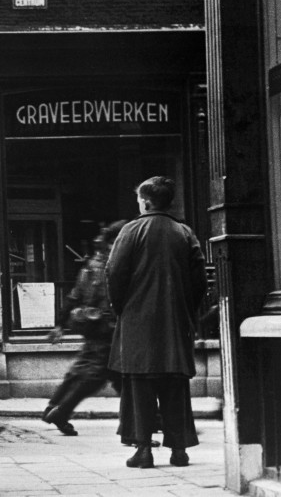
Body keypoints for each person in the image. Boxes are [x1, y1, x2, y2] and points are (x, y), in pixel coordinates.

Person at [108, 176, 207, 469]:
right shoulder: (184, 233)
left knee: (139, 385)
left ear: (146, 201)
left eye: (139, 198)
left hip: (138, 321)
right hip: (175, 321)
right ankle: (179, 450)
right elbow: (200, 280)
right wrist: (186, 310)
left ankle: (143, 449)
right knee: (175, 384)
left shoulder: (131, 230)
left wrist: (122, 309)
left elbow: (114, 274)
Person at [43, 220, 126, 436]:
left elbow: (74, 295)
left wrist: (61, 324)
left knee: (92, 373)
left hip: (94, 330)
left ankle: (54, 407)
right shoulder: (112, 266)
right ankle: (61, 411)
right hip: (110, 331)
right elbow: (112, 302)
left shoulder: (91, 264)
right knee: (98, 377)